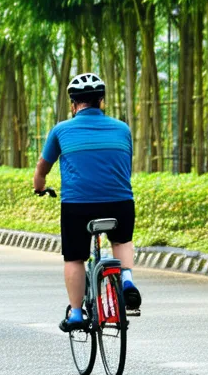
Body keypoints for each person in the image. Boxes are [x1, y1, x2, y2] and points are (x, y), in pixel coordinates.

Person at [33, 73, 142, 333]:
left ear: (73, 104)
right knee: (122, 240)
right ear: (101, 101)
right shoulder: (122, 128)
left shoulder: (61, 130)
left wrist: (39, 187)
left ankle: (75, 313)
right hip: (120, 201)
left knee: (74, 258)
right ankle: (126, 278)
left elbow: (42, 168)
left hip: (78, 206)